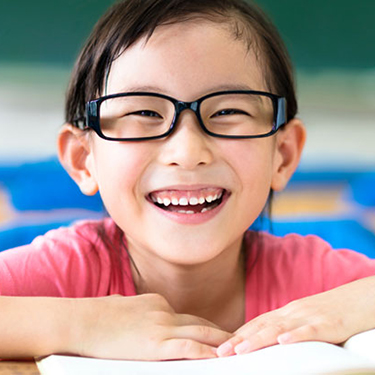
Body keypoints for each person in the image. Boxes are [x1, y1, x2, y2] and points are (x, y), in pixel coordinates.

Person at [1, 0, 375, 361]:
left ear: (284, 154)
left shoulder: (315, 282)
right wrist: (80, 326)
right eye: (144, 111)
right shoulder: (69, 270)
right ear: (83, 159)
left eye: (228, 110)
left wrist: (354, 304)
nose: (188, 150)